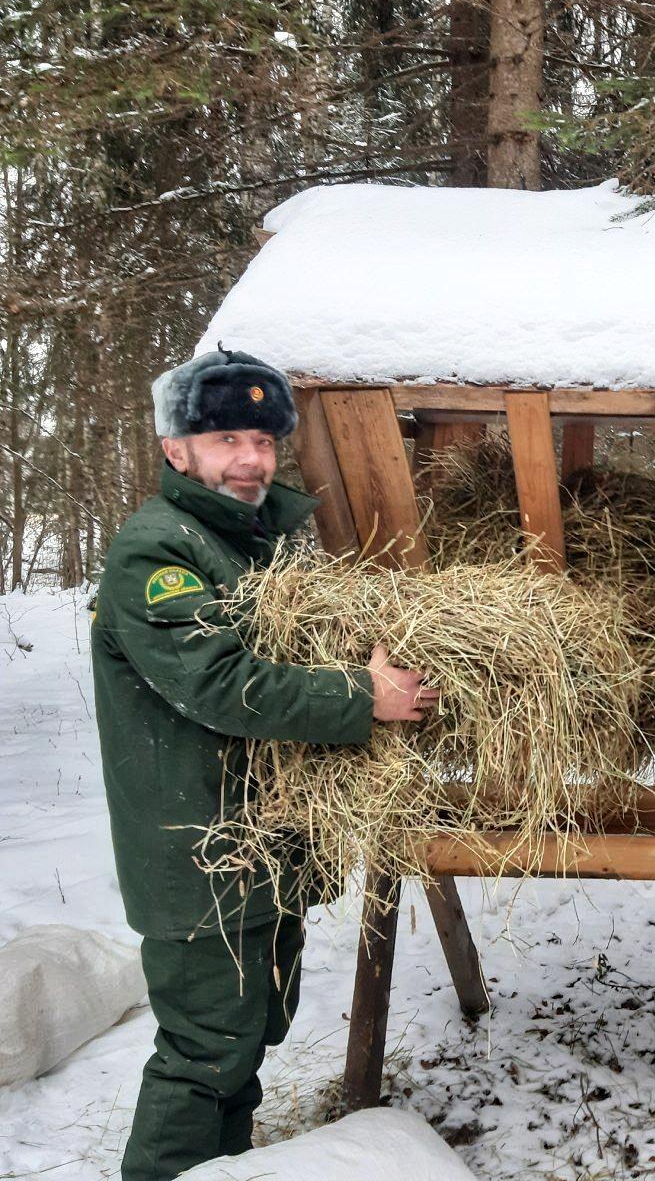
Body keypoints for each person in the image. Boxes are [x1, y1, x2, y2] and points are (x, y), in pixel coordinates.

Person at [91, 347, 438, 1181]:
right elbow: (217, 683)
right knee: (203, 1053)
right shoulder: (159, 550)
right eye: (226, 440)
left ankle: (224, 1171)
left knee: (247, 1037)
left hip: (261, 847)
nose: (251, 459)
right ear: (176, 448)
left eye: (265, 440)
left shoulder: (255, 544)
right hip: (200, 851)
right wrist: (364, 697)